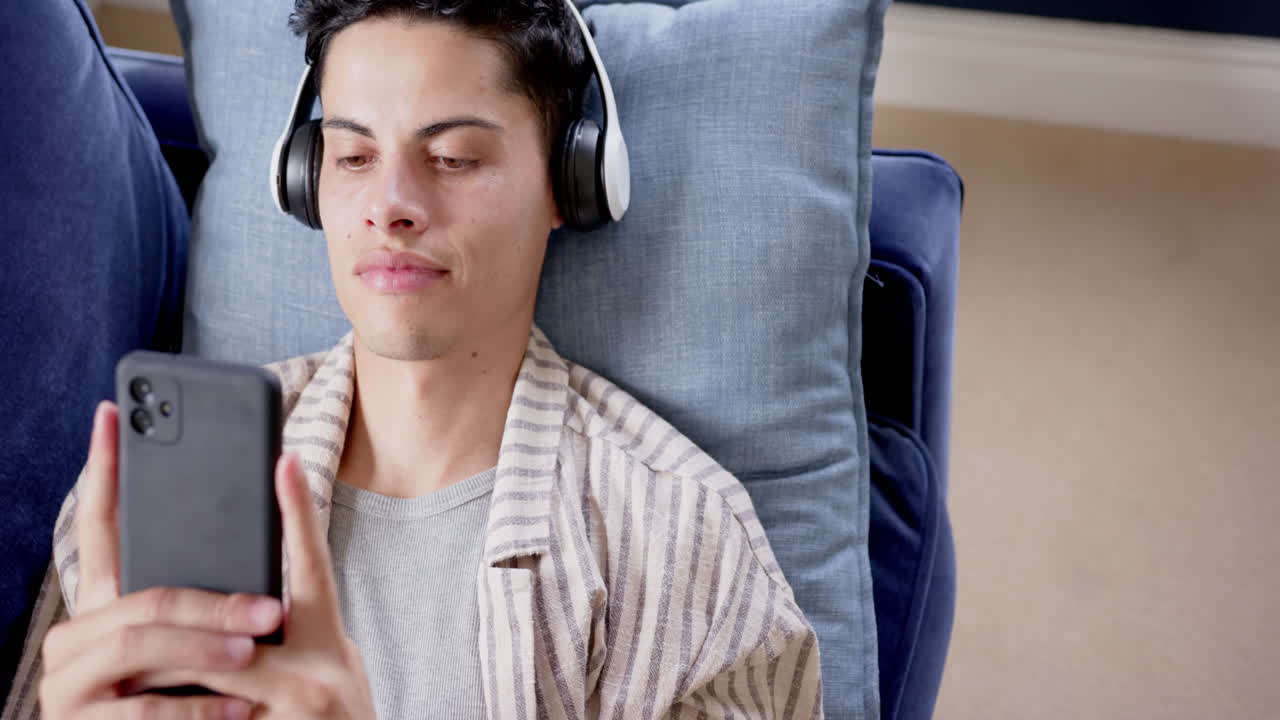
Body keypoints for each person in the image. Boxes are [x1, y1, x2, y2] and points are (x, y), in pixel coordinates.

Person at [4, 1, 823, 718]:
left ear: (567, 184)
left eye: (455, 157)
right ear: (304, 180)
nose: (390, 205)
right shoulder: (145, 495)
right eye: (353, 157)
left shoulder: (680, 539)